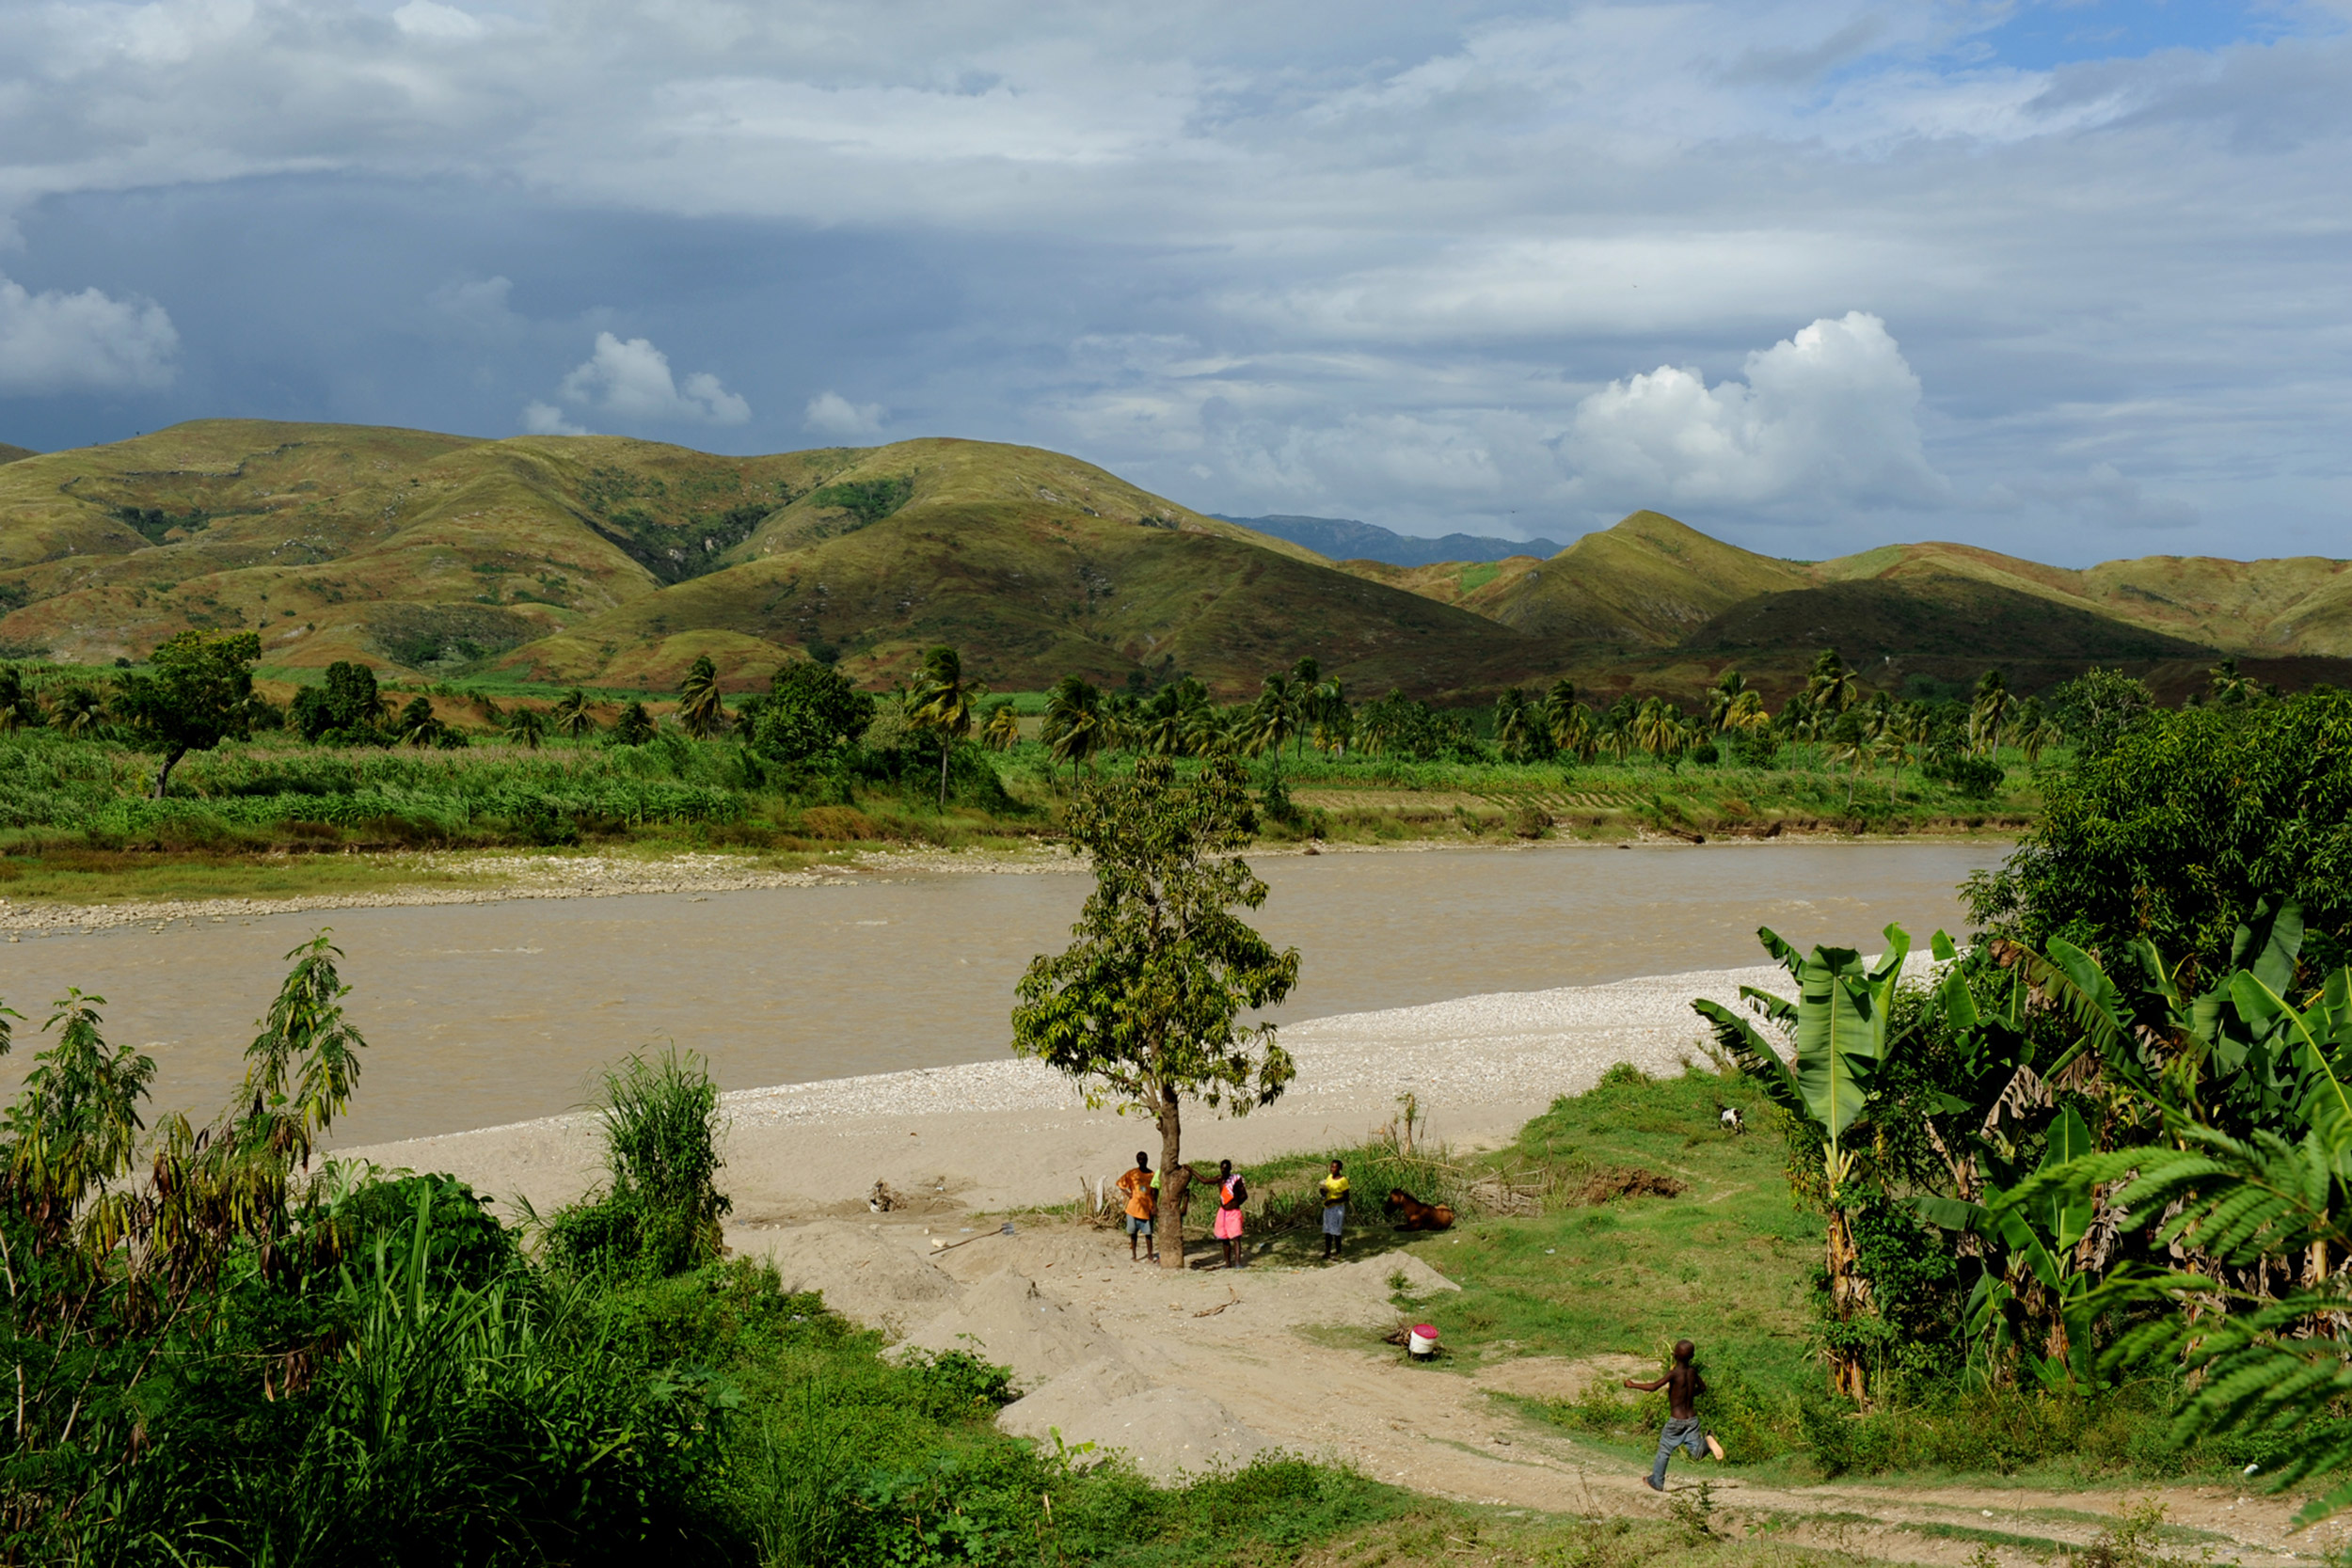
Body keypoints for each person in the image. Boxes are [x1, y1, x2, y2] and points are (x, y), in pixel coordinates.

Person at [1624, 1339, 1724, 1490]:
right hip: (1692, 1419)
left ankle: (1656, 1481)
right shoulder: (1692, 1372)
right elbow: (1703, 1388)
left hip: (1677, 1421)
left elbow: (1653, 1387)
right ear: (1693, 1356)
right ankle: (1707, 1442)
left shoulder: (1674, 1374)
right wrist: (1689, 1396)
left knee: (1664, 1448)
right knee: (1697, 1452)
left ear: (1675, 1355)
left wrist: (1632, 1385)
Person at [1116, 1151, 1157, 1263]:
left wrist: (1154, 1206)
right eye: (1139, 1159)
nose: (1142, 1161)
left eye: (1143, 1159)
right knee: (1133, 1233)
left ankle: (1150, 1255)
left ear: (1147, 1160)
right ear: (1137, 1160)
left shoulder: (1152, 1175)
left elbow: (1155, 1192)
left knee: (1148, 1234)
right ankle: (1134, 1255)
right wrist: (1128, 1193)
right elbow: (1120, 1183)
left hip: (1146, 1208)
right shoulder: (1132, 1173)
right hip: (1133, 1208)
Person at [1213, 1158, 1248, 1268]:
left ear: (1230, 1169)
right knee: (1224, 1239)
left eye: (1226, 1169)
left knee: (1236, 1238)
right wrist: (1191, 1171)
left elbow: (1244, 1195)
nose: (1224, 1171)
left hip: (1233, 1213)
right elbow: (1205, 1181)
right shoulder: (1220, 1180)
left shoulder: (1236, 1180)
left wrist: (1235, 1204)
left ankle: (1238, 1263)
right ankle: (1228, 1263)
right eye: (1222, 1169)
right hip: (1223, 1212)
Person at [1319, 1159, 1350, 1259]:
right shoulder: (1329, 1177)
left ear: (1339, 1168)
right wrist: (1323, 1192)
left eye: (1334, 1167)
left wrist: (1333, 1201)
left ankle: (1338, 1252)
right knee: (1327, 1231)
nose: (1332, 1169)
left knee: (1336, 1231)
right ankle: (1327, 1252)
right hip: (1328, 1208)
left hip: (1337, 1208)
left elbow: (1346, 1197)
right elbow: (1326, 1189)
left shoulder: (1343, 1180)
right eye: (1331, 1166)